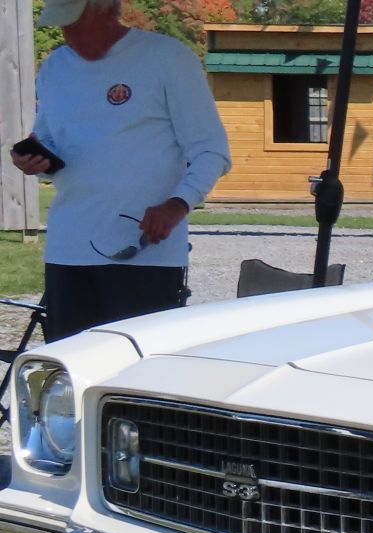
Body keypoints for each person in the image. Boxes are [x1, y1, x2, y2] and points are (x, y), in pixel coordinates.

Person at [8, 0, 230, 342]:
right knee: (71, 363)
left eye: (75, 23)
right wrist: (36, 161)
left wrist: (178, 204)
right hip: (69, 249)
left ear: (106, 11)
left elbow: (211, 150)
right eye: (63, 26)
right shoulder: (55, 66)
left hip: (144, 253)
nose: (69, 35)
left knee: (137, 364)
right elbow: (48, 138)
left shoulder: (166, 57)